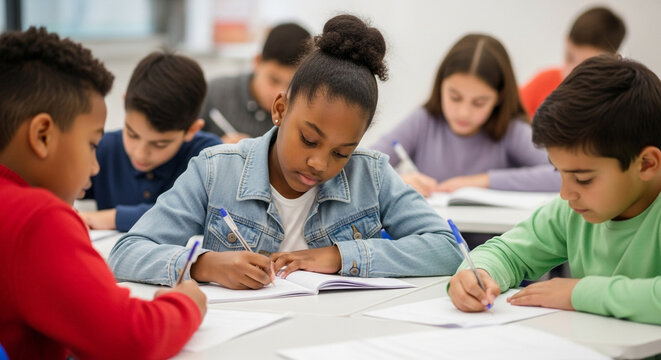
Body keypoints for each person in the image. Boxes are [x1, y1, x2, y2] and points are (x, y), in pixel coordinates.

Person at [108, 14, 463, 290]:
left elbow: (448, 248)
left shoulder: (370, 175)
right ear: (280, 109)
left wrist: (340, 256)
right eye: (309, 139)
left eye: (341, 152)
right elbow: (127, 253)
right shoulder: (215, 171)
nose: (319, 163)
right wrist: (202, 265)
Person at [0, 27, 206, 358]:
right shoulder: (36, 218)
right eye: (91, 144)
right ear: (42, 135)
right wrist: (186, 303)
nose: (95, 167)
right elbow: (131, 338)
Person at [447, 55, 661, 325]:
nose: (566, 194)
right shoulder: (572, 212)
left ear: (647, 164)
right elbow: (507, 252)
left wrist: (578, 293)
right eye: (558, 172)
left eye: (583, 179)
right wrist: (476, 273)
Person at [372, 34, 560, 198]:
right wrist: (399, 181)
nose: (463, 112)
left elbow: (561, 174)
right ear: (440, 86)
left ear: (499, 97)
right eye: (454, 97)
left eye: (479, 102)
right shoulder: (424, 120)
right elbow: (363, 166)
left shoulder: (511, 130)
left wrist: (483, 181)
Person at [80, 51, 221, 231]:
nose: (140, 153)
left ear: (191, 130)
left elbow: (191, 214)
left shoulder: (209, 157)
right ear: (125, 105)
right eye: (132, 134)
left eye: (159, 144)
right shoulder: (103, 148)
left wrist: (113, 218)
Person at [199, 22, 311, 143]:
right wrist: (215, 148)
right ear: (257, 62)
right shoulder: (214, 93)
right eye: (274, 80)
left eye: (291, 85)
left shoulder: (305, 112)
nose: (279, 93)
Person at [520, 6, 626, 118]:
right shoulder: (543, 82)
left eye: (586, 66)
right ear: (565, 42)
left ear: (612, 61)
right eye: (569, 57)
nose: (571, 72)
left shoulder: (616, 103)